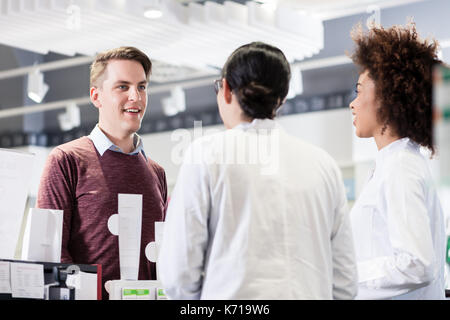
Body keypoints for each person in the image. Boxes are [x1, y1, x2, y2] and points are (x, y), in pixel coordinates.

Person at [158, 42, 357, 300]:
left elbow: (179, 274)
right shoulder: (324, 165)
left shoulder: (206, 155)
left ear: (226, 89)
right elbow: (345, 281)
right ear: (282, 97)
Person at [36, 46, 168, 299]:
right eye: (122, 87)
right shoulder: (66, 160)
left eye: (141, 87)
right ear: (96, 96)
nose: (135, 97)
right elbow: (53, 255)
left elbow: (160, 256)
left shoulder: (156, 172)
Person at [348, 23, 445, 299]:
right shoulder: (397, 163)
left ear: (387, 98)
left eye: (359, 91)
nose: (352, 104)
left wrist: (345, 276)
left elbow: (417, 264)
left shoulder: (401, 166)